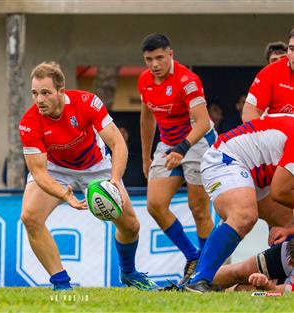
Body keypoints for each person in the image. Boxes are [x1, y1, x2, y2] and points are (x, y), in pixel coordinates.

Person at [19, 61, 158, 291]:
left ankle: (129, 273)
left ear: (61, 92)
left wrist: (114, 180)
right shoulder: (29, 122)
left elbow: (118, 143)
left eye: (45, 93)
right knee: (29, 217)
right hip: (56, 169)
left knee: (131, 226)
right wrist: (65, 194)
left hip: (96, 167)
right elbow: (38, 172)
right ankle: (61, 283)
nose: (39, 100)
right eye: (35, 93)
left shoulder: (86, 102)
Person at [138, 33, 216, 286]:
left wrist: (182, 149)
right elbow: (147, 118)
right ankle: (193, 256)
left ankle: (207, 271)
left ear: (170, 54)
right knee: (155, 205)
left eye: (159, 57)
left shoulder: (188, 80)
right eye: (149, 59)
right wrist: (146, 155)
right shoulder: (144, 81)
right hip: (168, 144)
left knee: (199, 208)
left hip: (197, 142)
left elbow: (203, 123)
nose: (155, 64)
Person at [186, 114, 294, 293]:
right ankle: (199, 281)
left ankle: (279, 286)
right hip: (226, 158)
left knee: (287, 224)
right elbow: (280, 191)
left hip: (259, 173)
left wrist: (290, 231)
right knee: (244, 216)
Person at [213, 230, 294, 293]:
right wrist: (289, 229)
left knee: (247, 290)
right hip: (288, 249)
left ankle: (229, 289)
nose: (289, 262)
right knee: (237, 273)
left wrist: (265, 284)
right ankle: (202, 277)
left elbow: (275, 291)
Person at [242, 28, 294, 121]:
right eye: (292, 49)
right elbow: (249, 112)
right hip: (276, 132)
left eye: (281, 57)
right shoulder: (270, 72)